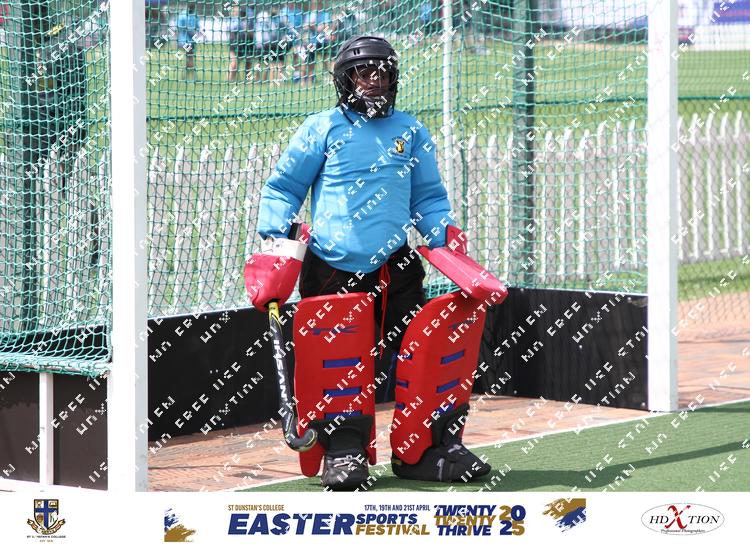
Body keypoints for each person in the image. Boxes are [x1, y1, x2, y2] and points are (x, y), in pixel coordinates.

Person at [253, 36, 492, 490]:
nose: (374, 80)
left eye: (383, 72)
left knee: (423, 356)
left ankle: (426, 449)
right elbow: (284, 187)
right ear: (345, 81)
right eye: (363, 73)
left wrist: (444, 236)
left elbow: (428, 197)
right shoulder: (322, 128)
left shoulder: (411, 130)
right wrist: (275, 235)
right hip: (332, 268)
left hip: (395, 267)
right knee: (338, 364)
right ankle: (344, 450)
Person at [297, 0, 331, 85]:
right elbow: (305, 27)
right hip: (311, 42)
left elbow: (324, 27)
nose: (316, 6)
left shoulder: (325, 14)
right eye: (314, 4)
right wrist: (310, 25)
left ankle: (328, 78)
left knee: (325, 60)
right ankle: (305, 80)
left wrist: (313, 26)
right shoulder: (310, 15)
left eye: (318, 4)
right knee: (308, 61)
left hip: (322, 42)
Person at [227, 4, 253, 81]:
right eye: (236, 11)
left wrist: (247, 30)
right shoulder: (232, 20)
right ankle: (230, 80)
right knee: (234, 63)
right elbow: (230, 32)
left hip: (245, 44)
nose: (238, 12)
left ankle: (248, 80)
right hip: (235, 44)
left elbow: (250, 32)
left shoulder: (246, 20)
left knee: (248, 62)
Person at [176, 2, 201, 80]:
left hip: (191, 41)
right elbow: (179, 28)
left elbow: (198, 28)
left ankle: (185, 76)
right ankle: (194, 77)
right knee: (190, 57)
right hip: (184, 41)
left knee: (189, 58)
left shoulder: (195, 15)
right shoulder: (182, 15)